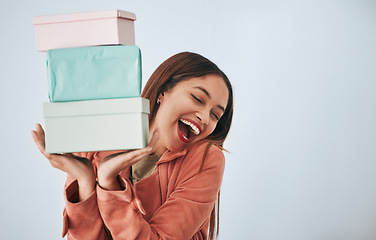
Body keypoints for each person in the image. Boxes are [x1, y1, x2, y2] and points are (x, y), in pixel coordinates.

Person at [32, 52, 233, 240]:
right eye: (198, 98)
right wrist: (84, 180)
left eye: (216, 115)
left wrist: (109, 182)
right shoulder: (100, 138)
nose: (205, 118)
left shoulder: (206, 159)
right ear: (163, 91)